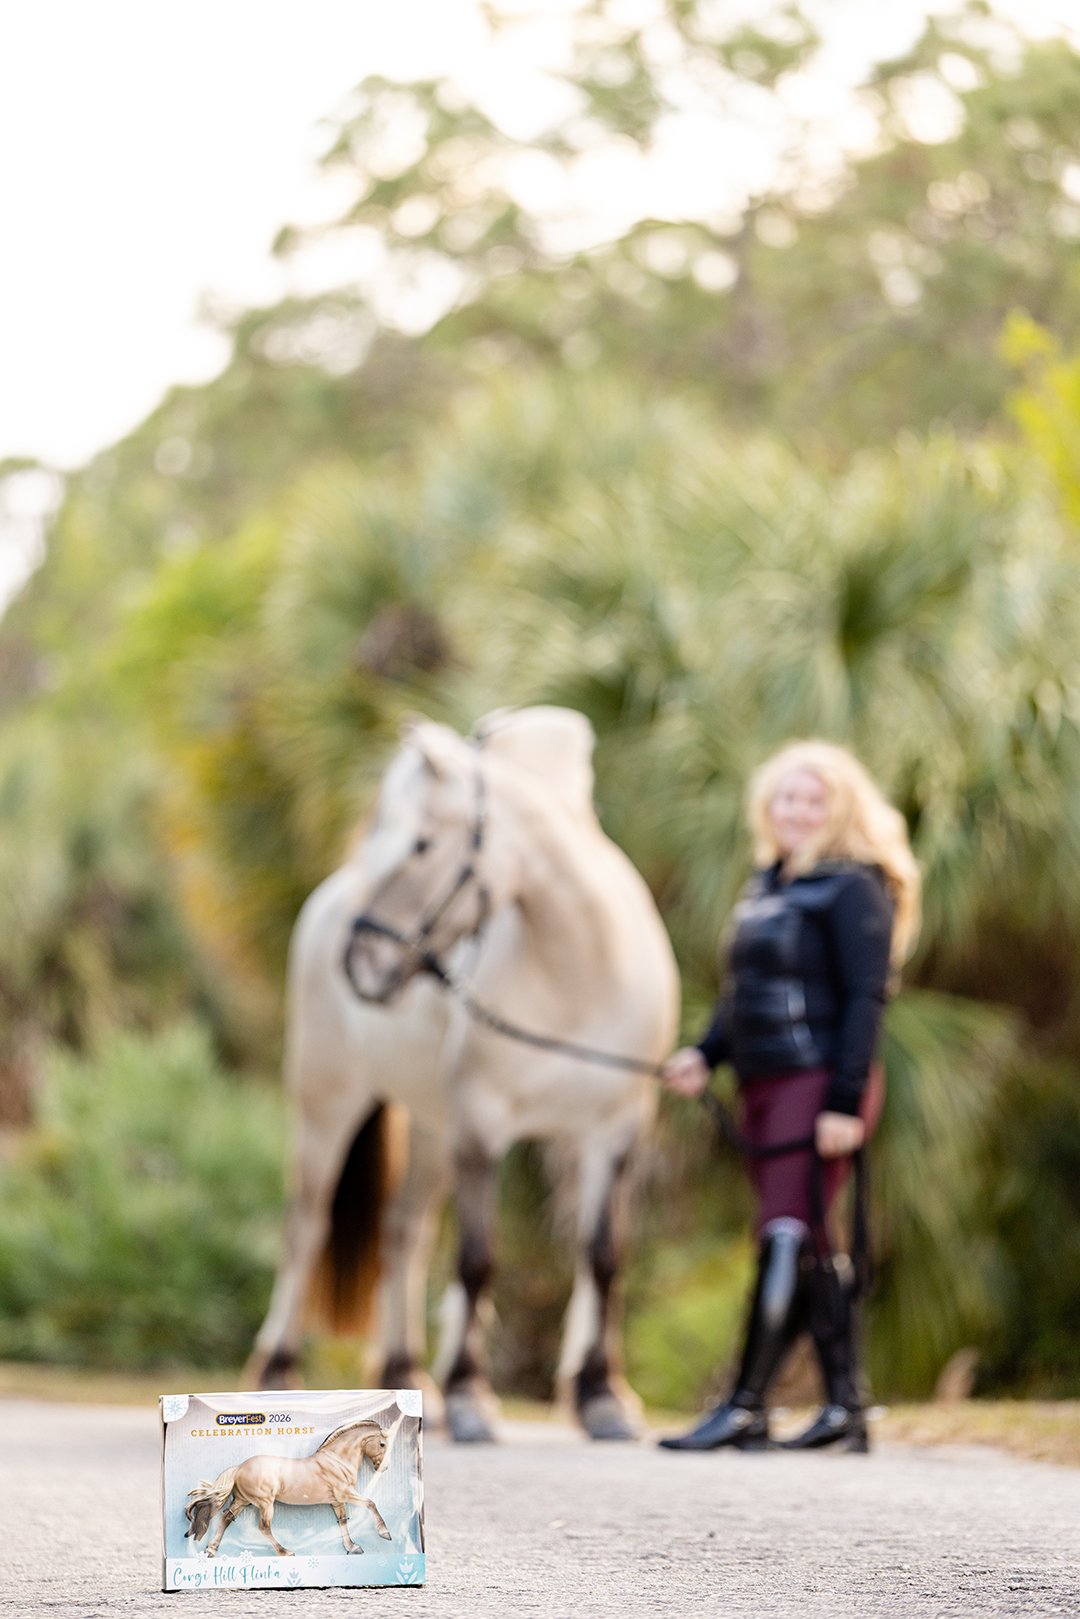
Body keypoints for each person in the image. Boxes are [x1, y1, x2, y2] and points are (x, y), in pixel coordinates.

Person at [658, 740, 920, 1454]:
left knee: (784, 1226)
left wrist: (841, 1101)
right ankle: (846, 1410)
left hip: (821, 1083)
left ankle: (745, 1405)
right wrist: (704, 1055)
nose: (798, 811)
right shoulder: (766, 883)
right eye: (786, 798)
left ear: (840, 810)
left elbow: (869, 996)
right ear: (767, 808)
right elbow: (742, 995)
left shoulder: (854, 886)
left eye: (814, 799)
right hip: (764, 1086)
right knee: (810, 1235)